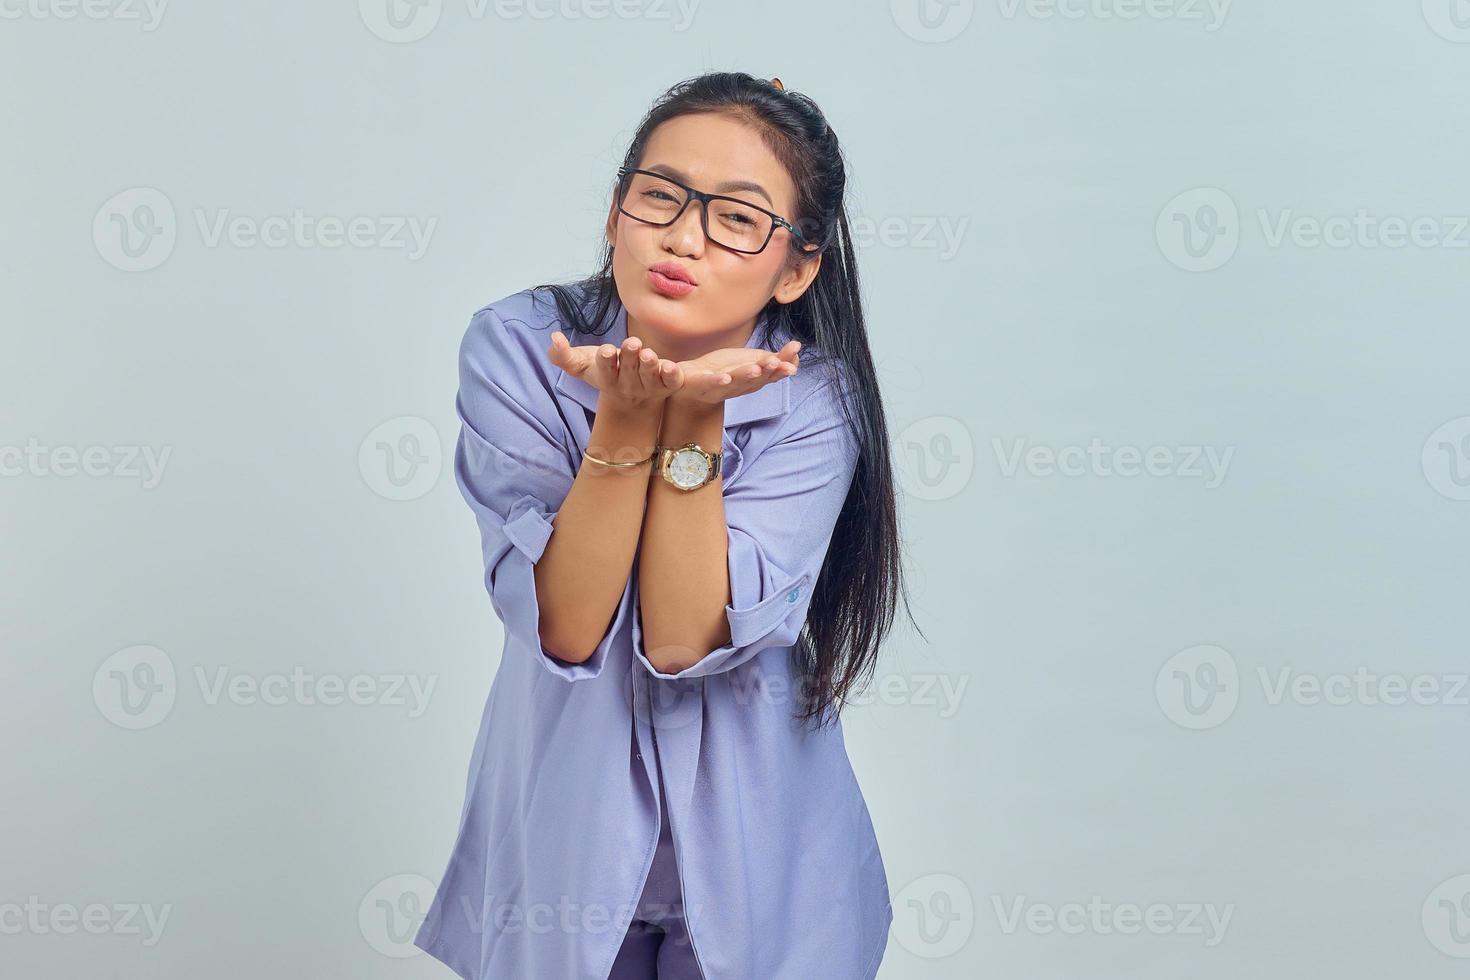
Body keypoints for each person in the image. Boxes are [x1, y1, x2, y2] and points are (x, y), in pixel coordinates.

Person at [414, 70, 918, 980]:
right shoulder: (518, 351)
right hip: (562, 850)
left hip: (763, 869)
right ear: (616, 212)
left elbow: (687, 639)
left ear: (796, 266)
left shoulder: (817, 401)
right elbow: (565, 626)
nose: (684, 235)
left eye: (736, 217)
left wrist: (693, 417)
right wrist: (626, 415)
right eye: (661, 197)